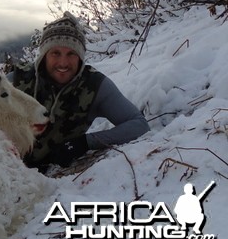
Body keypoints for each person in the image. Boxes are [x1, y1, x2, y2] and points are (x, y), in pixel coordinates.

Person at [8, 11, 150, 171]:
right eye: (55, 53)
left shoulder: (94, 86)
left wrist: (85, 143)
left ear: (81, 57)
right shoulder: (15, 81)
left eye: (71, 54)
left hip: (51, 177)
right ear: (44, 56)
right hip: (3, 166)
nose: (63, 62)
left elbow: (139, 124)